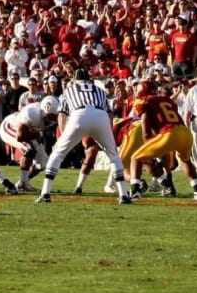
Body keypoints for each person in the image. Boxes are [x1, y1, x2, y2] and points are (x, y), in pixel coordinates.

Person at [37, 72, 132, 204]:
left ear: (75, 80)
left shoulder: (69, 90)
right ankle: (124, 195)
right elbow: (109, 113)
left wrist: (62, 137)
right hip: (101, 116)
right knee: (114, 156)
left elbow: (62, 115)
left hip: (79, 115)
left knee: (57, 153)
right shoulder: (99, 90)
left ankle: (45, 193)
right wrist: (108, 133)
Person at [129, 82, 197, 202]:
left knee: (136, 157)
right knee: (185, 161)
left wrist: (149, 152)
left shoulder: (144, 102)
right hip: (185, 133)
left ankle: (135, 192)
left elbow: (146, 133)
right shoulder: (166, 99)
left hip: (169, 133)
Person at [0, 101, 50, 194]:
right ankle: (23, 182)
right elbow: (20, 136)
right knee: (30, 147)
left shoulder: (58, 112)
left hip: (29, 131)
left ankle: (22, 183)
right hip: (10, 127)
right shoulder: (32, 112)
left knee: (43, 163)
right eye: (50, 116)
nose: (52, 119)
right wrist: (39, 134)